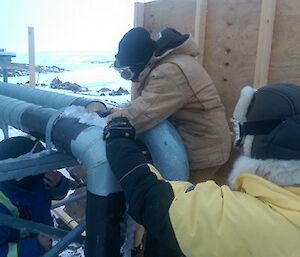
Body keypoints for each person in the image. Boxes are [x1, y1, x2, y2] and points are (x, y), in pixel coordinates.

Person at [104, 83, 300, 257]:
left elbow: (152, 197)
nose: (237, 145)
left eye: (241, 133)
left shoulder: (239, 221)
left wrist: (117, 140)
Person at [108, 27, 231, 184]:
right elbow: (150, 102)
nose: (129, 79)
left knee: (184, 202)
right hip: (199, 141)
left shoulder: (169, 72)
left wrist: (107, 121)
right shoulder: (168, 63)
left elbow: (143, 113)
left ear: (139, 63)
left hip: (203, 150)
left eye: (127, 73)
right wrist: (120, 112)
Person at [0, 136, 70, 257]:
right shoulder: (2, 204)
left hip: (44, 243)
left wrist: (58, 183)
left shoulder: (36, 178)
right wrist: (36, 246)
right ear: (19, 169)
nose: (43, 168)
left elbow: (60, 194)